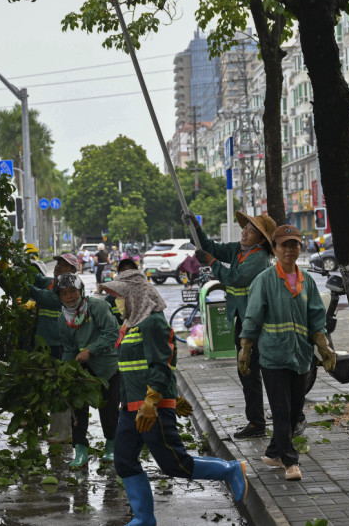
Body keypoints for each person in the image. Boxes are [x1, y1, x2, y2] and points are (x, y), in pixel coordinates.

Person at [99, 269, 246, 525]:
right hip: (131, 406)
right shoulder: (130, 324)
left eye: (120, 296)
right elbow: (138, 368)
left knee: (176, 464)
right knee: (124, 460)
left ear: (134, 296)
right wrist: (172, 395)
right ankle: (144, 518)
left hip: (150, 407)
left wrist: (155, 400)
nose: (117, 302)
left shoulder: (153, 322)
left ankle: (230, 470)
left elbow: (162, 364)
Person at [239, 225, 335, 481]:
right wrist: (246, 349)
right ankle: (290, 462)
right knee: (281, 410)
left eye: (294, 245)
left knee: (294, 413)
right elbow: (252, 316)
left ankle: (273, 452)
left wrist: (322, 345)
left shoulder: (307, 281)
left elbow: (316, 316)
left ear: (300, 247)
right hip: (272, 356)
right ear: (275, 249)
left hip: (300, 357)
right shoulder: (265, 280)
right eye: (284, 245)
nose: (289, 250)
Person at [181, 210, 274, 439]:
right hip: (242, 319)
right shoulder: (239, 250)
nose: (245, 233)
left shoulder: (258, 257)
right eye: (245, 228)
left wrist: (211, 262)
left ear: (261, 240)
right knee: (246, 373)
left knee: (255, 372)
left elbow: (234, 278)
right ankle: (256, 421)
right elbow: (213, 247)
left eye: (251, 231)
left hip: (256, 322)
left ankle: (262, 422)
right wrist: (196, 228)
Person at [0, 251, 80, 444]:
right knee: (44, 388)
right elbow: (36, 278)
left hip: (62, 347)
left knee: (60, 389)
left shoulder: (72, 288)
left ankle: (63, 433)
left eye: (63, 264)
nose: (58, 266)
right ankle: (50, 430)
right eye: (57, 263)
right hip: (44, 346)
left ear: (73, 270)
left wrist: (23, 283)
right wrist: (15, 265)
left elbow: (43, 297)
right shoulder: (53, 282)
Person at [53, 273, 120, 467]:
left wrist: (90, 350)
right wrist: (65, 369)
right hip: (82, 371)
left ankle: (111, 447)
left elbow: (112, 333)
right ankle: (80, 451)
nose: (69, 297)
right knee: (78, 411)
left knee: (108, 410)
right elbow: (69, 349)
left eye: (72, 291)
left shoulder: (97, 307)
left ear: (81, 291)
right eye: (64, 293)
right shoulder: (63, 320)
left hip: (107, 367)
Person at [105, 257, 139, 324]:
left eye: (131, 269)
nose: (127, 272)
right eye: (123, 270)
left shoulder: (145, 294)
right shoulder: (110, 298)